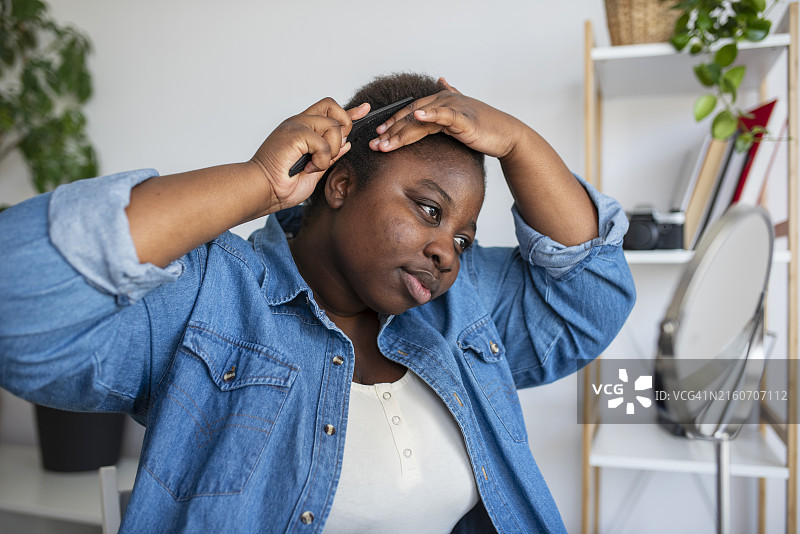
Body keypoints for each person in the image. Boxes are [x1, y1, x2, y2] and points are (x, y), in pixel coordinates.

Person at [0, 72, 635, 533]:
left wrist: (519, 142)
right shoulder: (212, 295)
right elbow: (17, 303)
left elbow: (589, 300)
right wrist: (256, 184)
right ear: (340, 183)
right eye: (429, 210)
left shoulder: (458, 309)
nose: (447, 252)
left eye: (462, 239)